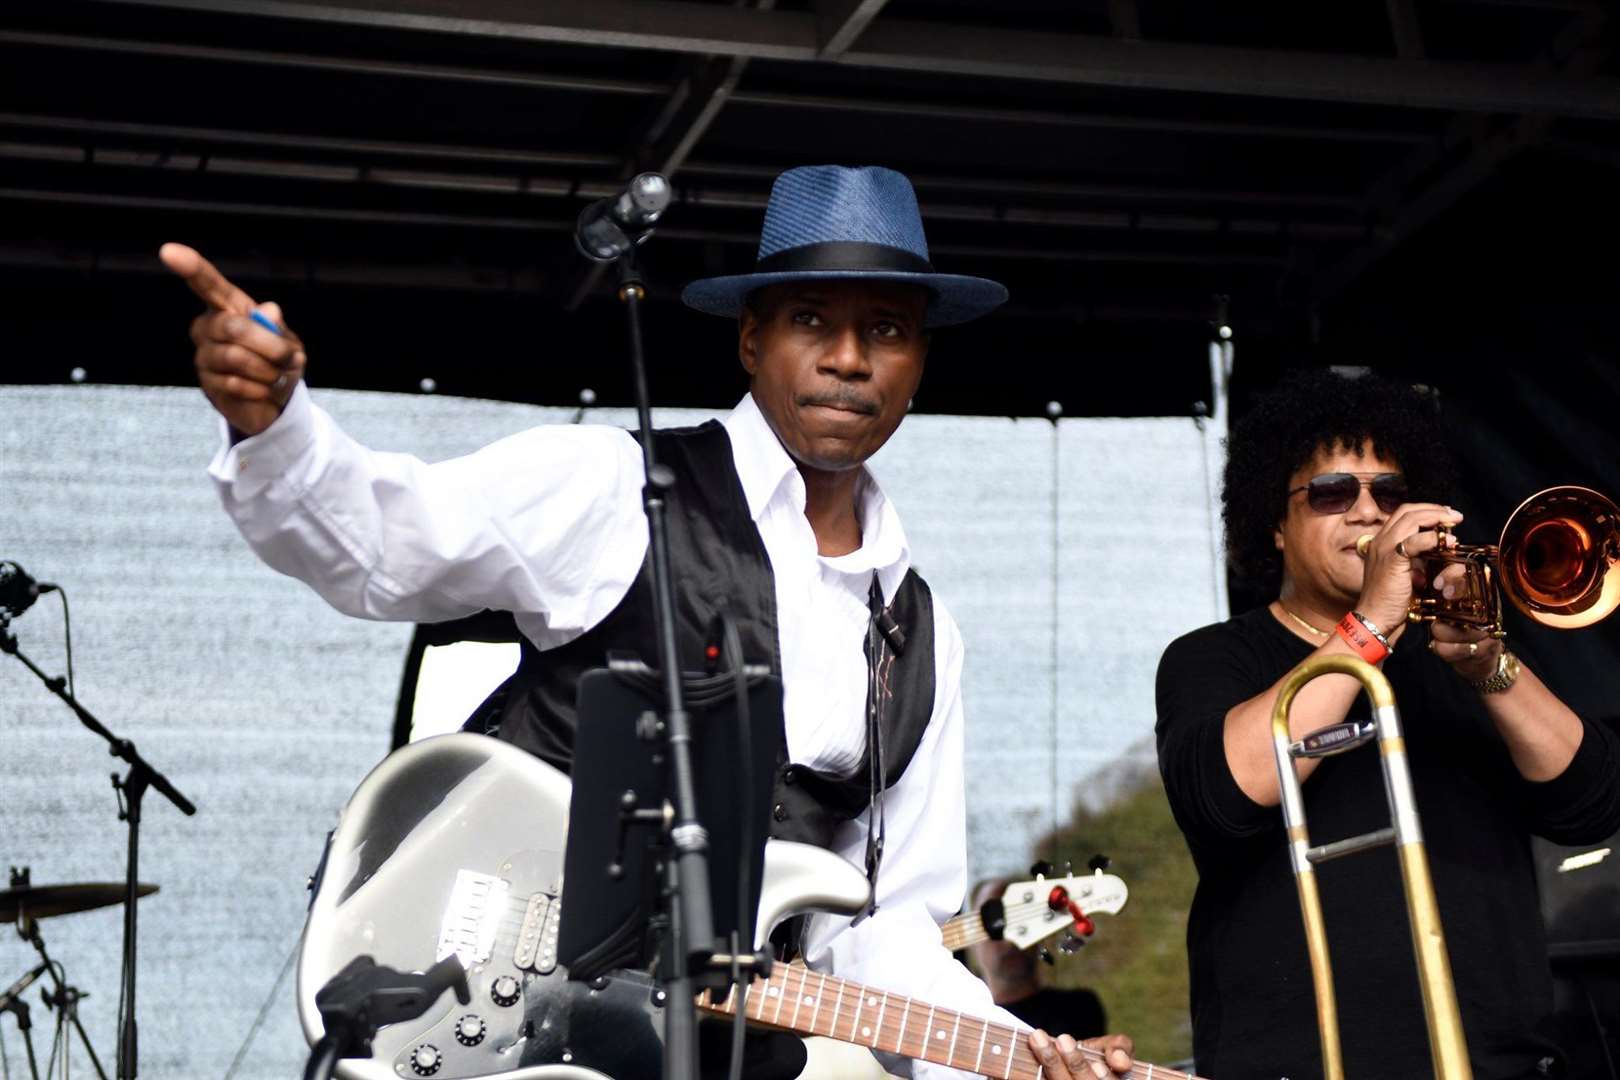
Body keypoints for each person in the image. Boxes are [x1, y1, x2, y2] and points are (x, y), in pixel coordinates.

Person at [162, 165, 1135, 1080]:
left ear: (920, 355)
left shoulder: (923, 637)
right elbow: (386, 547)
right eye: (810, 320)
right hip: (488, 991)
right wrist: (276, 426)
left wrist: (1016, 1052)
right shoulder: (617, 486)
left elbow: (884, 929)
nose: (848, 358)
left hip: (721, 1044)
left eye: (885, 329)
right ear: (751, 338)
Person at [1155, 368, 1620, 1079]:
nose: (1368, 512)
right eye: (1334, 492)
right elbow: (1226, 796)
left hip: (1500, 1063)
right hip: (1298, 1064)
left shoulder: (1459, 656)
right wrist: (1370, 623)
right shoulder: (1211, 658)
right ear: (1275, 524)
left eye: (1392, 493)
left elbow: (1593, 803)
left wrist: (1489, 662)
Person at [966, 878, 1107, 1040]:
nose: (1009, 941)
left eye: (1021, 925)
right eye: (994, 926)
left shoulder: (1079, 1009)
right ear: (970, 940)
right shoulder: (962, 1017)